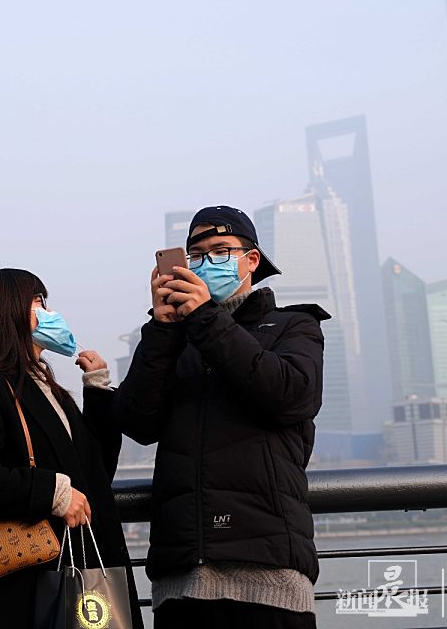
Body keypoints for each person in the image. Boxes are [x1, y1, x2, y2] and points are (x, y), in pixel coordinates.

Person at [114, 206, 329, 628]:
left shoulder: (294, 325)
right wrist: (163, 328)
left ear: (251, 260)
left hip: (269, 573)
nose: (206, 262)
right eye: (195, 255)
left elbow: (292, 396)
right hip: (182, 578)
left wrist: (204, 318)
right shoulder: (173, 341)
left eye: (220, 251)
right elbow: (137, 422)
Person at [0, 268, 143, 629]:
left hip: (81, 567)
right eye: (38, 302)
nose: (50, 313)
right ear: (7, 312)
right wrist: (53, 492)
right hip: (34, 583)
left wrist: (97, 390)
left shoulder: (45, 385)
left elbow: (95, 472)